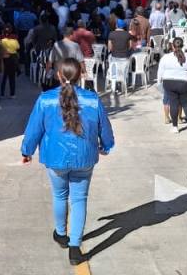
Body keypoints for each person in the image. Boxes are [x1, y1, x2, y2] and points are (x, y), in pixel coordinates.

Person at [21, 59, 115, 266]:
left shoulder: (45, 100)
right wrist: (106, 146)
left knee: (59, 195)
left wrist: (26, 151)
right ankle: (75, 246)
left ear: (58, 76)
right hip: (85, 157)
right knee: (79, 199)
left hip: (55, 159)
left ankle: (61, 234)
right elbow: (104, 127)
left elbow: (34, 129)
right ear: (81, 73)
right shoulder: (92, 99)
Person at [158, 37, 187, 133]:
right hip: (184, 83)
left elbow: (160, 72)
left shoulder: (166, 57)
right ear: (183, 45)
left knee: (173, 104)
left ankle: (175, 127)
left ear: (172, 46)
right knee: (186, 104)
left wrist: (159, 83)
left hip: (169, 82)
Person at [0, 26, 21, 98]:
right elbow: (18, 47)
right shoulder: (15, 41)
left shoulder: (2, 41)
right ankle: (12, 94)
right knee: (12, 78)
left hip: (5, 59)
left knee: (4, 77)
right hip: (13, 59)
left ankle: (2, 93)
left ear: (4, 33)